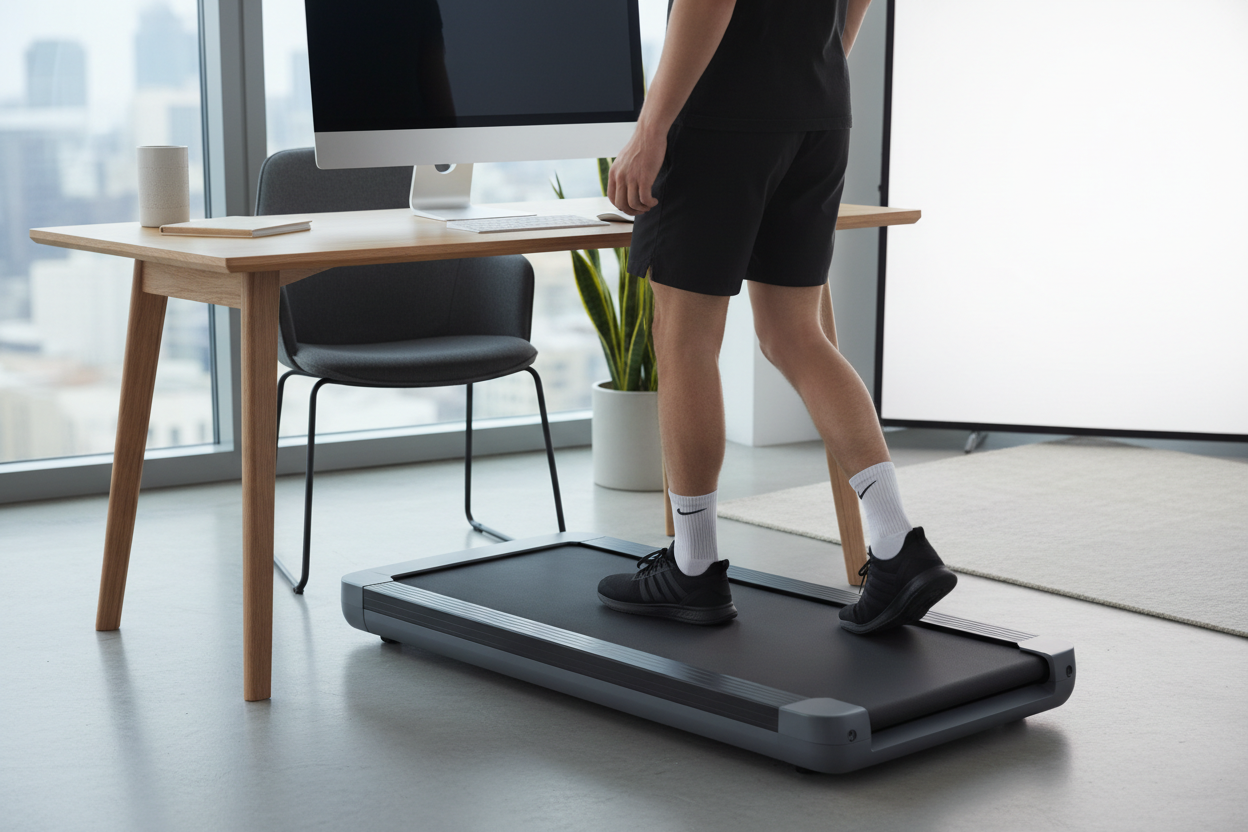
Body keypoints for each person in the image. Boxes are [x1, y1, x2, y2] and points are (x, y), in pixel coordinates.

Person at [595, 0, 957, 634]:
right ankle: (898, 544)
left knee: (683, 340)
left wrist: (651, 130)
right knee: (796, 333)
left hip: (720, 116)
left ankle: (694, 566)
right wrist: (813, 65)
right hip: (817, 108)